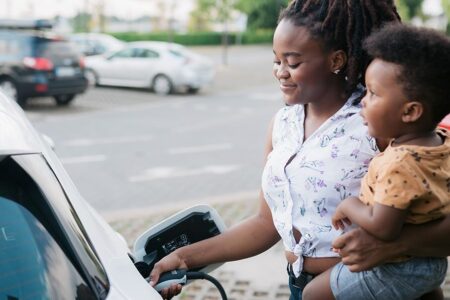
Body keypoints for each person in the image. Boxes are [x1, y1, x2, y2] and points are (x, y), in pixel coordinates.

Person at [147, 1, 423, 299]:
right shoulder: (282, 124)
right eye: (276, 60)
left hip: (364, 287)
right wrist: (184, 258)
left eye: (293, 62)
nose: (280, 72)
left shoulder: (376, 121)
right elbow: (265, 225)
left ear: (336, 60)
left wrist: (396, 245)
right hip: (299, 287)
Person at [302, 23, 450, 300]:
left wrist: (350, 205)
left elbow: (384, 226)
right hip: (428, 262)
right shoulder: (439, 143)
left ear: (410, 112)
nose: (364, 102)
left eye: (373, 93)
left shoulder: (401, 162)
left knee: (312, 295)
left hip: (398, 266)